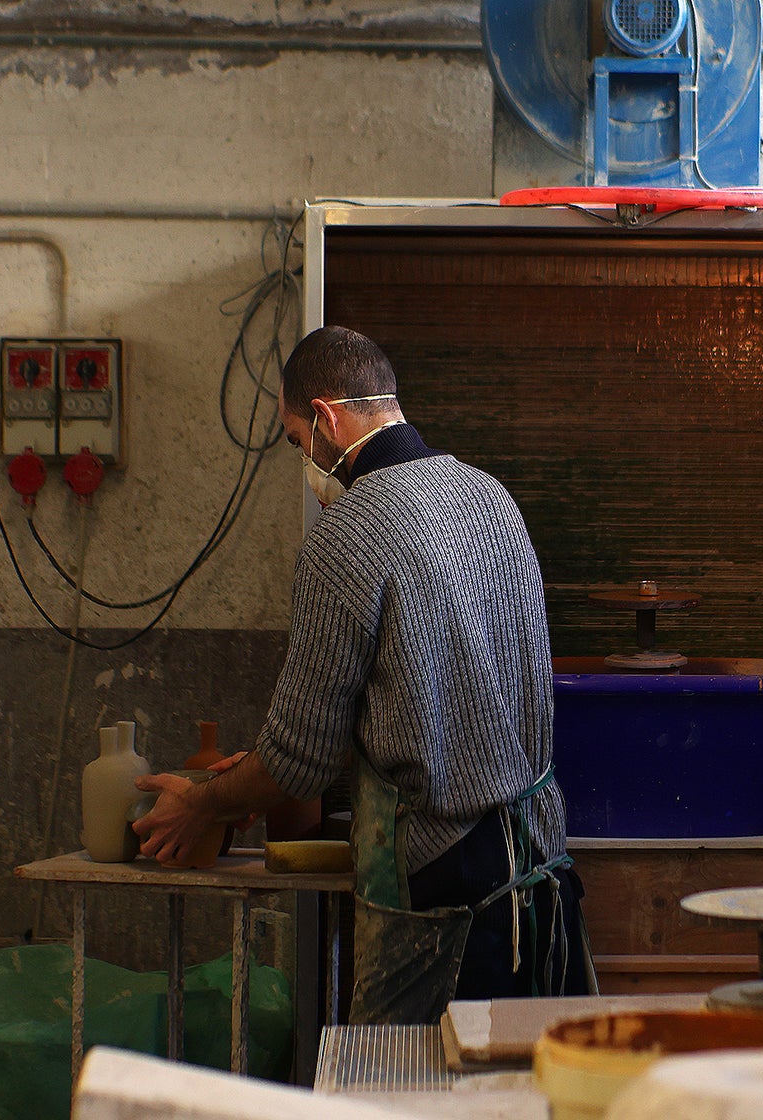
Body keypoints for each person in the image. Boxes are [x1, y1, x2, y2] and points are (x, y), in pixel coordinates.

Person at [132, 325, 593, 1020]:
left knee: (398, 1089)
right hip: (538, 866)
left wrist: (203, 800)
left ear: (325, 417)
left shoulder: (345, 534)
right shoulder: (490, 498)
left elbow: (299, 765)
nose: (304, 460)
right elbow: (431, 703)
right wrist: (249, 777)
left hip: (444, 893)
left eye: (295, 441)